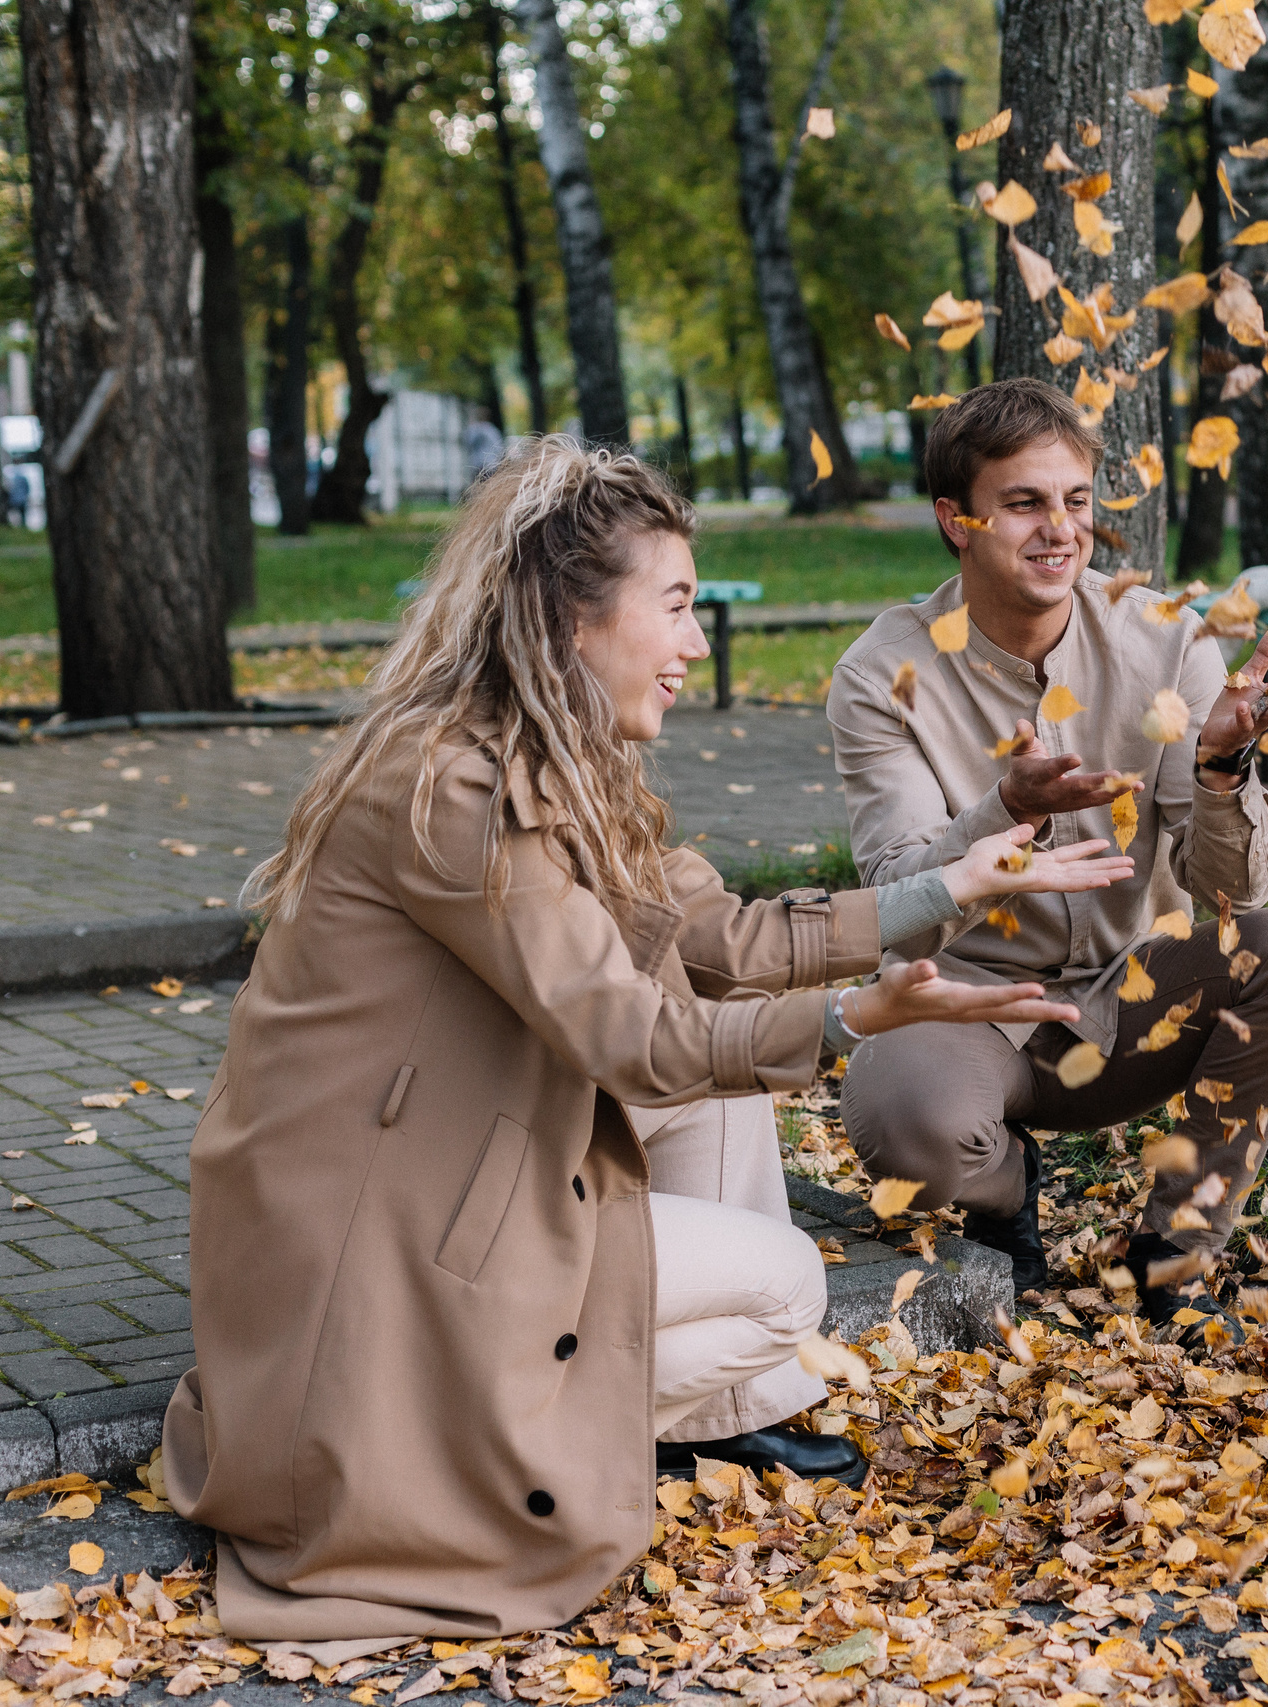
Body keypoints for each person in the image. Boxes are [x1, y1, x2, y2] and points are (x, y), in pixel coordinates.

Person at [162, 439, 1130, 1643]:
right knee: (786, 1283)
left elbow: (718, 936)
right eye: (673, 608)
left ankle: (730, 1414)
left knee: (720, 1091)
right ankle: (509, 1437)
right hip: (376, 1236)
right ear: (573, 619)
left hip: (443, 1162)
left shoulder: (554, 759)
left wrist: (954, 887)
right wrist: (850, 1020)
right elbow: (628, 1036)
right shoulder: (457, 789)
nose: (693, 644)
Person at [825, 379, 1268, 1332]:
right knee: (904, 1122)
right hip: (972, 1006)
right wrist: (1001, 814)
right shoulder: (882, 672)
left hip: (1133, 994)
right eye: (1023, 502)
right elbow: (894, 897)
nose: (1058, 530)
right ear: (957, 520)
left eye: (1074, 502)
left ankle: (1174, 1247)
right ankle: (1006, 1191)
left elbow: (1229, 889)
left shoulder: (1164, 639)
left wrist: (1223, 765)